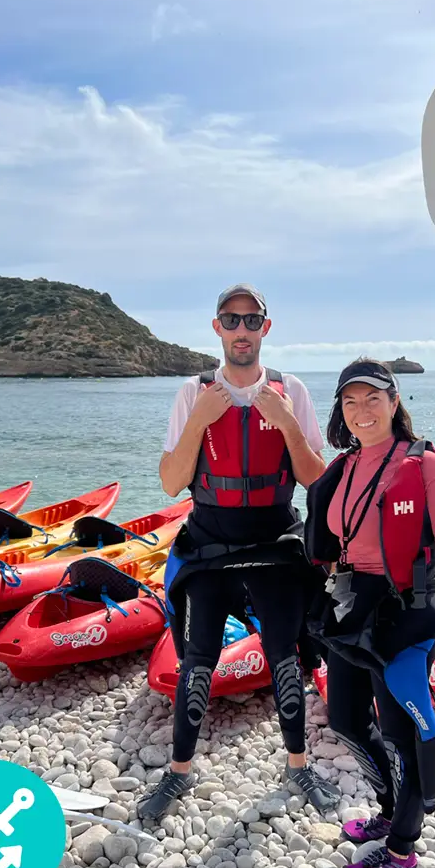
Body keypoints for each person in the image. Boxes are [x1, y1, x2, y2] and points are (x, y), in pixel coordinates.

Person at [137, 283, 341, 820]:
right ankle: (179, 773)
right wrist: (202, 418)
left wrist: (288, 419)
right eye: (232, 319)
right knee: (197, 662)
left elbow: (315, 478)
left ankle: (298, 764)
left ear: (266, 328)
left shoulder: (290, 389)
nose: (242, 330)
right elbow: (169, 482)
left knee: (285, 657)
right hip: (209, 545)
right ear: (217, 327)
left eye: (253, 320)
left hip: (274, 543)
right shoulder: (193, 392)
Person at [304, 358, 435, 868]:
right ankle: (388, 808)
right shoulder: (346, 464)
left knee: (406, 731)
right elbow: (334, 542)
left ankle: (404, 846)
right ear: (341, 408)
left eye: (373, 398)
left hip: (405, 611)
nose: (362, 410)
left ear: (394, 401)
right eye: (350, 400)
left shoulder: (424, 463)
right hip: (353, 608)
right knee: (346, 720)